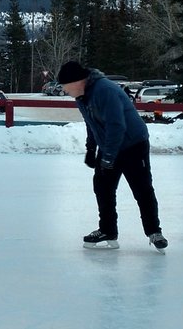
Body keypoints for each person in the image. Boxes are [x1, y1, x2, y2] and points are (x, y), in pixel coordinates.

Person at [58, 61, 168, 252]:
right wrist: (91, 150)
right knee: (102, 187)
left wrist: (108, 157)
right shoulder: (82, 97)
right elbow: (91, 124)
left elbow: (117, 126)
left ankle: (154, 232)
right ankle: (108, 230)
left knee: (142, 188)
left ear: (77, 81)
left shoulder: (105, 90)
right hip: (109, 144)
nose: (65, 91)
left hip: (133, 143)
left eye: (65, 86)